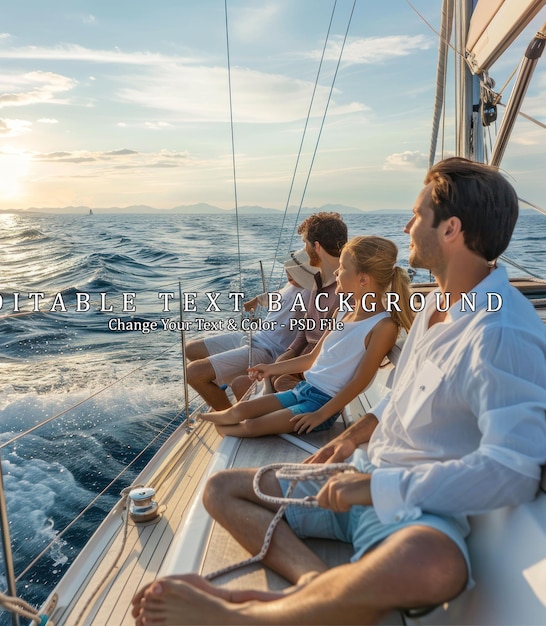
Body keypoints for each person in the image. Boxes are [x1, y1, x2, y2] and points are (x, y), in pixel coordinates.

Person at [132, 157, 546, 626]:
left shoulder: (501, 331)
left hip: (412, 509)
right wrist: (352, 438)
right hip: (361, 474)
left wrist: (376, 487)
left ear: (450, 229)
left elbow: (513, 470)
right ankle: (313, 584)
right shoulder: (436, 304)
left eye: (417, 215)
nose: (407, 225)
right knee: (222, 490)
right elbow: (402, 394)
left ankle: (253, 619)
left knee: (438, 564)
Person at [200, 236, 413, 439]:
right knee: (240, 410)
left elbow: (359, 382)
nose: (337, 271)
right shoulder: (343, 310)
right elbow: (312, 359)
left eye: (344, 267)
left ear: (363, 280)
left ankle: (223, 429)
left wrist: (321, 414)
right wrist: (270, 368)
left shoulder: (382, 326)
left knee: (251, 426)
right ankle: (217, 420)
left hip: (321, 405)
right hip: (303, 390)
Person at [184, 249, 316, 410]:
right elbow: (278, 295)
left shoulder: (312, 293)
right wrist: (257, 300)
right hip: (255, 337)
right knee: (190, 349)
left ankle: (229, 416)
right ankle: (221, 389)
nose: (287, 270)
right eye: (288, 267)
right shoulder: (293, 283)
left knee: (193, 374)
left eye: (294, 269)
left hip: (268, 351)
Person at [270, 212, 348, 392]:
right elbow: (307, 324)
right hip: (305, 361)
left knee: (278, 381)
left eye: (305, 243)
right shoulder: (318, 279)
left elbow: (335, 347)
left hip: (321, 368)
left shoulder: (345, 288)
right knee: (267, 378)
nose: (304, 250)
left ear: (316, 246)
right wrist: (289, 352)